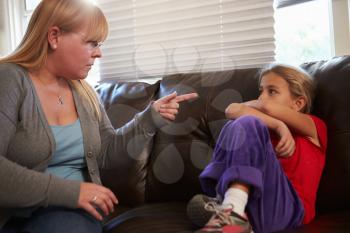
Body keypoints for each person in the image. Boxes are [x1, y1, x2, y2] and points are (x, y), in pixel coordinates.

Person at [0, 0, 198, 232]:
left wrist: (149, 118)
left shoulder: (84, 91)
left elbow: (106, 154)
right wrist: (73, 192)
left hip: (75, 214)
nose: (99, 53)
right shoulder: (10, 79)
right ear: (54, 36)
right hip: (21, 213)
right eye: (91, 43)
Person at [187, 64, 327, 233]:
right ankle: (234, 213)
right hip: (257, 206)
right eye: (261, 91)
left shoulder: (313, 127)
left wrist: (275, 122)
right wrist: (277, 125)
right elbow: (232, 110)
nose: (262, 97)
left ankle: (229, 209)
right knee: (236, 125)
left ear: (297, 103)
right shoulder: (263, 131)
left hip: (291, 212)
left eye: (272, 91)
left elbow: (255, 108)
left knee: (247, 122)